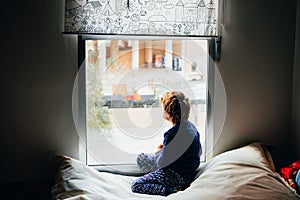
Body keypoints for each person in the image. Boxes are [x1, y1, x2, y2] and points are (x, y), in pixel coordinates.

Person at [131, 91, 202, 196]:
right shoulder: (192, 128)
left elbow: (162, 163)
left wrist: (159, 152)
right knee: (144, 159)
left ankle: (172, 190)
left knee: (136, 183)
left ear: (168, 113)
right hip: (188, 172)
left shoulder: (171, 134)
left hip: (175, 174)